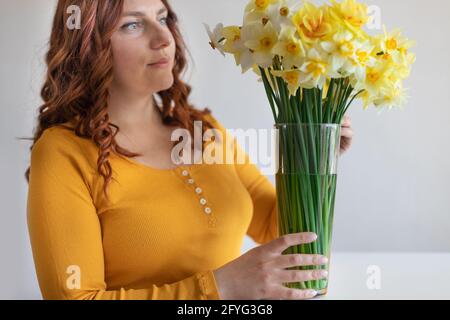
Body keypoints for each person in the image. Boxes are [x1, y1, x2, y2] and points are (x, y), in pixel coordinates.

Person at [25, 0, 354, 300]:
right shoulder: (62, 153)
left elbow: (278, 228)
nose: (164, 38)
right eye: (132, 25)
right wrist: (220, 288)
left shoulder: (203, 129)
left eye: (163, 18)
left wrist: (313, 155)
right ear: (88, 44)